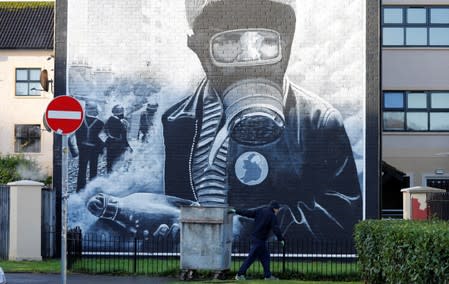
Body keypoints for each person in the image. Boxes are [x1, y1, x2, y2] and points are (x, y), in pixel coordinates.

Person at [86, 0, 362, 242]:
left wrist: (244, 232)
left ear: (286, 43)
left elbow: (340, 216)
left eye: (266, 42)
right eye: (228, 43)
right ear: (198, 47)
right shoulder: (178, 120)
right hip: (200, 259)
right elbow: (177, 205)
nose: (250, 57)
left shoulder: (317, 121)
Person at [230, 200, 285, 281]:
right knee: (251, 258)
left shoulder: (261, 210)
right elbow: (276, 228)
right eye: (278, 209)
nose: (278, 211)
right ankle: (239, 274)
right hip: (259, 240)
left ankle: (268, 276)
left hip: (257, 239)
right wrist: (281, 239)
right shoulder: (272, 216)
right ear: (275, 208)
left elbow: (248, 213)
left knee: (265, 257)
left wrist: (236, 211)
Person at [71, 101, 105, 192]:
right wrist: (101, 150)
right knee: (93, 169)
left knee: (82, 169)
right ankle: (92, 189)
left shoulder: (79, 122)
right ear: (95, 110)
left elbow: (74, 136)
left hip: (83, 149)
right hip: (94, 150)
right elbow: (102, 139)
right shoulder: (100, 123)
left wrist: (78, 147)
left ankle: (80, 189)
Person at [104, 104, 131, 173]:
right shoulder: (120, 122)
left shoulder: (109, 120)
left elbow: (105, 132)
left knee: (110, 162)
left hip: (110, 144)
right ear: (121, 113)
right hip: (118, 145)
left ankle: (109, 175)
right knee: (118, 162)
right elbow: (124, 136)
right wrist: (128, 146)